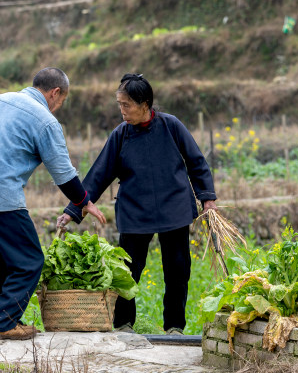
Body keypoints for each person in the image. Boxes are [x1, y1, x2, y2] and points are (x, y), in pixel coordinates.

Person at [0, 67, 106, 340]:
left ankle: (2, 319)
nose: (58, 108)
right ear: (55, 93)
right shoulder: (45, 121)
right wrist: (84, 201)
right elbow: (62, 172)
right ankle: (2, 323)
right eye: (61, 102)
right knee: (29, 260)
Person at [57, 73, 217, 334]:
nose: (121, 111)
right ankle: (123, 324)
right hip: (135, 211)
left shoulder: (172, 126)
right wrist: (74, 209)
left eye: (126, 105)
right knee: (127, 271)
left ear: (145, 104)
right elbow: (99, 174)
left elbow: (196, 162)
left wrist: (207, 199)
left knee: (177, 270)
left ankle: (175, 326)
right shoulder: (121, 134)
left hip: (173, 209)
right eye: (119, 104)